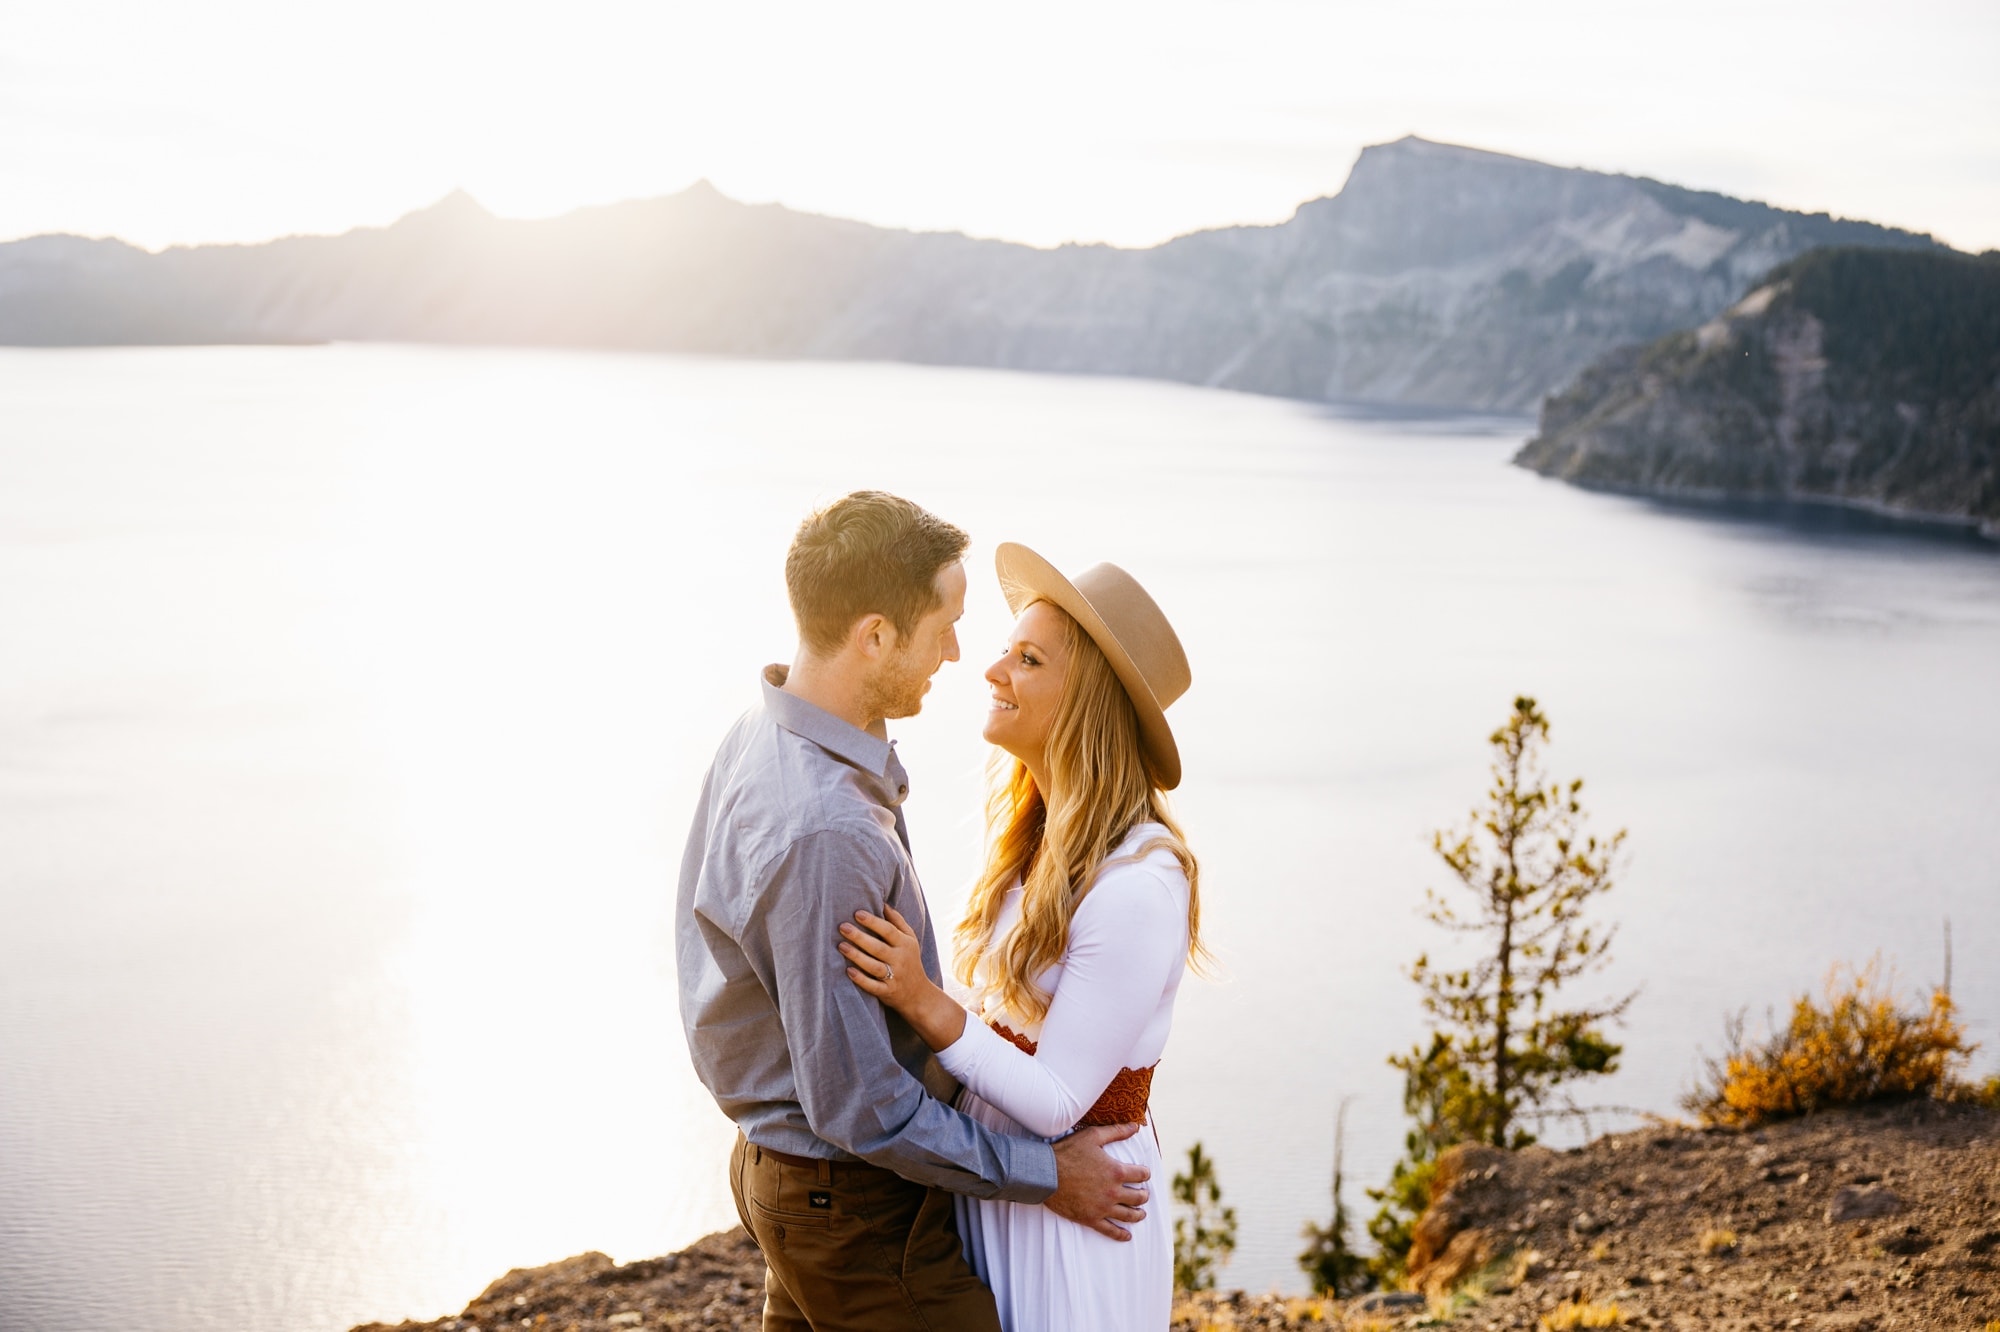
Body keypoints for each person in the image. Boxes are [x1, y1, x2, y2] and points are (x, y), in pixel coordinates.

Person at [676, 494, 1152, 1332]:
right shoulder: (829, 828)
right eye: (945, 626)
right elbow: (861, 1107)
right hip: (849, 1200)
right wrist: (1049, 1174)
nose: (960, 654)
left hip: (789, 1172)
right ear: (875, 636)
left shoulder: (764, 732)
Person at [838, 541, 1202, 1331]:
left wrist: (919, 999)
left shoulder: (1138, 884)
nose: (993, 671)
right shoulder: (1036, 842)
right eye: (1007, 650)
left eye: (1027, 659)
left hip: (1077, 1205)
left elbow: (1058, 1098)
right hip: (1016, 1185)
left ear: (1087, 702)